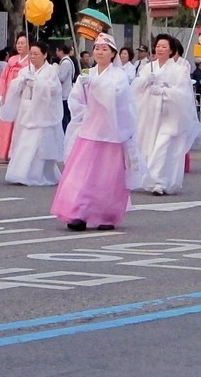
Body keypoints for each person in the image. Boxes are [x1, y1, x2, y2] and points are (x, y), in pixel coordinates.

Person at [51, 33, 144, 231]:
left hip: (111, 134)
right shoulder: (87, 74)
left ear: (113, 54)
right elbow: (75, 101)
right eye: (97, 48)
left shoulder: (118, 76)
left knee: (107, 178)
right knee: (81, 175)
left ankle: (105, 215)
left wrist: (96, 86)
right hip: (88, 131)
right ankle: (79, 213)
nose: (99, 52)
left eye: (104, 49)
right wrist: (83, 105)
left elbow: (117, 98)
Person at [132, 33, 201, 195]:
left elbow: (183, 94)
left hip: (170, 117)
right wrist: (145, 82)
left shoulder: (179, 70)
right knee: (149, 146)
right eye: (158, 46)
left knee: (162, 146)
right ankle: (149, 179)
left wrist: (163, 91)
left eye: (164, 47)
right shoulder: (147, 68)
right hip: (150, 115)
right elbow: (135, 89)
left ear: (171, 51)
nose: (160, 49)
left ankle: (159, 182)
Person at [0, 40, 64, 186]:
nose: (33, 57)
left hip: (43, 114)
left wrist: (38, 83)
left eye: (36, 54)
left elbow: (55, 89)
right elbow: (15, 86)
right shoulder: (26, 70)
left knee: (38, 144)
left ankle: (36, 174)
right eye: (31, 54)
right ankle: (19, 172)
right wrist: (21, 81)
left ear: (45, 55)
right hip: (27, 110)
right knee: (24, 141)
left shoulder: (50, 71)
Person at [0, 32, 30, 161]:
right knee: (7, 122)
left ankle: (15, 152)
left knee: (19, 124)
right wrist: (1, 94)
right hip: (10, 94)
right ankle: (4, 152)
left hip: (22, 96)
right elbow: (4, 78)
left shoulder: (30, 62)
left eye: (22, 43)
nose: (19, 46)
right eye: (18, 43)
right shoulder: (12, 60)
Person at [54, 42, 75, 131]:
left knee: (65, 115)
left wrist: (55, 72)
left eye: (57, 50)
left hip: (65, 93)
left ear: (61, 51)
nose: (56, 52)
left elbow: (61, 78)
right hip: (67, 91)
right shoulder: (67, 61)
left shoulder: (65, 62)